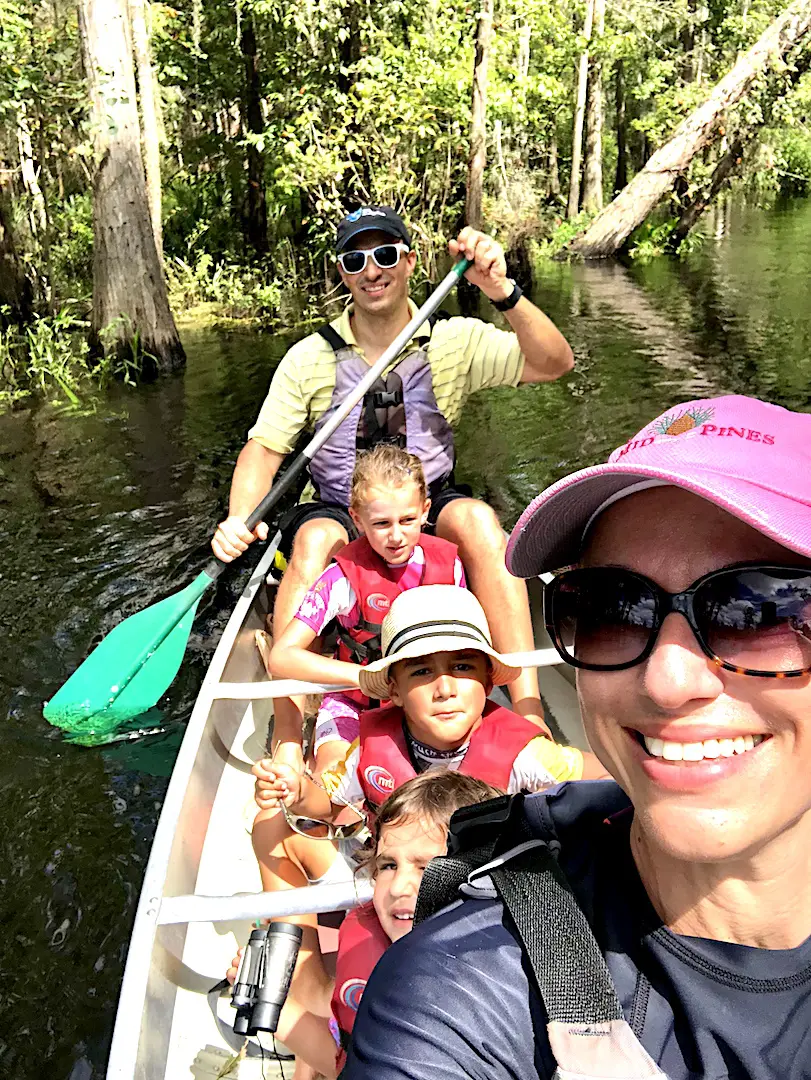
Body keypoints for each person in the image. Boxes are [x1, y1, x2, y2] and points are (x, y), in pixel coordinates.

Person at [342, 394, 811, 1080]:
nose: (665, 680)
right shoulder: (459, 993)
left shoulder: (530, 753)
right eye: (611, 610)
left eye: (760, 608)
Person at [211, 206, 575, 751]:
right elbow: (263, 452)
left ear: (407, 261)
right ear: (342, 272)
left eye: (384, 255)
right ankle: (289, 736)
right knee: (313, 538)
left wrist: (502, 292)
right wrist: (240, 517)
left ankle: (530, 716)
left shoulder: (454, 341)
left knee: (478, 521)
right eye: (355, 259)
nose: (371, 270)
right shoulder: (309, 358)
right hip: (339, 504)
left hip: (422, 500)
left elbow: (555, 363)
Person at [227, 772, 503, 1079]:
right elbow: (343, 1057)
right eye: (388, 865)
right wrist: (273, 1004)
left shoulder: (477, 990)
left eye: (426, 867)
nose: (399, 887)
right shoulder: (376, 944)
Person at [269, 444, 466, 778]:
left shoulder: (450, 566)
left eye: (407, 520)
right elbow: (282, 657)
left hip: (424, 700)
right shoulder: (341, 577)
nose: (396, 536)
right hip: (352, 702)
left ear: (425, 511)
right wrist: (361, 678)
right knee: (335, 780)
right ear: (358, 520)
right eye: (381, 523)